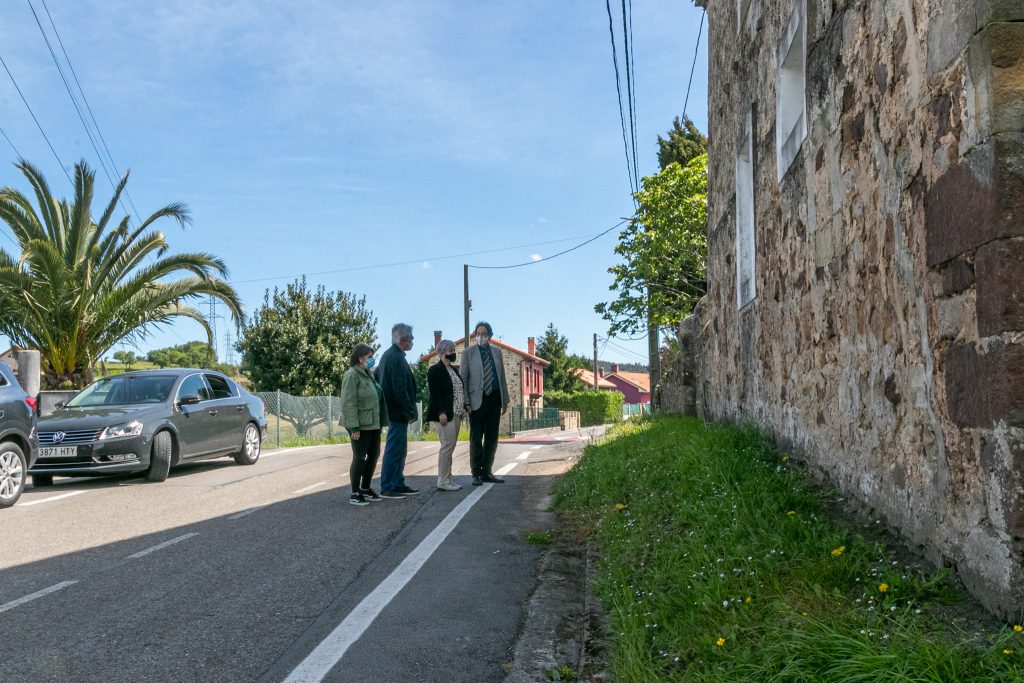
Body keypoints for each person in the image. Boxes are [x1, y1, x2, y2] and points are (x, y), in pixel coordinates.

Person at [460, 321, 510, 486]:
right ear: (475, 335)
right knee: (476, 438)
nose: (480, 336)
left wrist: (505, 400)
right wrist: (466, 402)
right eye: (478, 333)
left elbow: (501, 376)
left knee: (491, 438)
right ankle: (476, 473)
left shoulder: (497, 353)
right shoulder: (468, 353)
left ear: (489, 336)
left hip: (494, 399)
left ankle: (487, 471)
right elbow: (463, 379)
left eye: (484, 334)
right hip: (476, 401)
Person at [374, 323, 420, 498]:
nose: (413, 341)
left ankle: (398, 483)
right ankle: (388, 486)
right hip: (397, 412)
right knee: (395, 450)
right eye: (411, 338)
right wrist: (410, 412)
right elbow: (400, 390)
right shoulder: (396, 358)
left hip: (393, 411)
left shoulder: (388, 356)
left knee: (399, 450)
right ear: (403, 339)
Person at [339, 343, 387, 506]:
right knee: (359, 457)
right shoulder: (352, 375)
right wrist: (354, 427)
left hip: (373, 423)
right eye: (369, 357)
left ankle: (365, 488)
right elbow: (348, 402)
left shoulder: (368, 374)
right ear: (360, 358)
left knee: (373, 456)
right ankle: (355, 492)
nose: (372, 359)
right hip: (360, 424)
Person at [426, 339, 465, 491]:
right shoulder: (435, 370)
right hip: (445, 415)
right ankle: (442, 481)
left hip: (456, 413)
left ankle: (448, 478)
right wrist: (441, 412)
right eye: (451, 351)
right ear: (442, 353)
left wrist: (464, 407)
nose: (454, 353)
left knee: (450, 446)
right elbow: (435, 394)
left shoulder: (453, 370)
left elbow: (458, 391)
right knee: (447, 446)